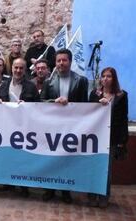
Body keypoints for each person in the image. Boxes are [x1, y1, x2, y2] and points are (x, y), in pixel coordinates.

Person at [40, 49, 88, 203]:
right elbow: (41, 102)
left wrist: (70, 104)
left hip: (72, 128)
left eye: (64, 60)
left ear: (70, 61)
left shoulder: (81, 80)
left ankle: (65, 191)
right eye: (58, 60)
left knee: (67, 159)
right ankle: (49, 190)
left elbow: (84, 105)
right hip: (52, 127)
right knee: (50, 157)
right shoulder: (49, 82)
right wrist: (53, 102)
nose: (61, 63)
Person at [0, 58, 40, 197]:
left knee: (22, 157)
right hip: (7, 127)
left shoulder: (31, 86)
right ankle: (7, 182)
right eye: (16, 67)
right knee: (7, 155)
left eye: (21, 68)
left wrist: (27, 105)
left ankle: (23, 185)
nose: (18, 70)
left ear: (25, 70)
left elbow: (38, 106)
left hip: (24, 128)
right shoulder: (4, 84)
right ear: (12, 68)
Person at [87, 67, 128, 208]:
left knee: (106, 169)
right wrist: (98, 104)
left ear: (114, 78)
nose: (105, 78)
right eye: (103, 76)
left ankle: (104, 196)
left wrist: (122, 141)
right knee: (93, 167)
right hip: (95, 137)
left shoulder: (121, 95)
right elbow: (87, 113)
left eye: (109, 76)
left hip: (111, 138)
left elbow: (123, 118)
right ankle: (91, 195)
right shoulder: (94, 93)